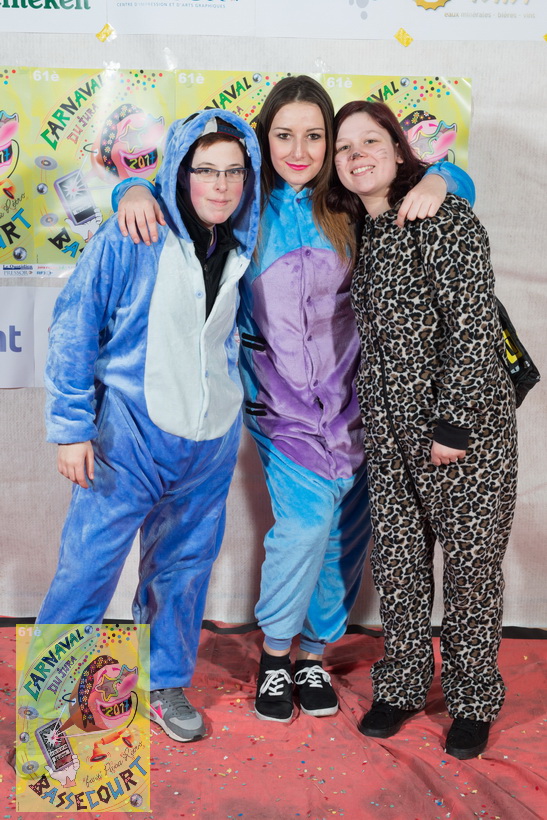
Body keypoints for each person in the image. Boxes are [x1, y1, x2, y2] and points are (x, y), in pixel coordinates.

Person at [112, 76, 473, 724]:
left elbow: (452, 187)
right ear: (264, 138)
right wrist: (130, 189)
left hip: (361, 412)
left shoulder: (352, 204)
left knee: (344, 541)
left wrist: (439, 180)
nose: (299, 150)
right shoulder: (245, 206)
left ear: (331, 142)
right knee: (303, 531)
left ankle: (313, 654)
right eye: (284, 135)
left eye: (314, 136)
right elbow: (177, 189)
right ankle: (275, 656)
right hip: (284, 417)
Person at [37, 111, 262, 744]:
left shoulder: (241, 244)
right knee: (87, 571)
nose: (221, 185)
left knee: (183, 574)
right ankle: (47, 706)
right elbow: (75, 325)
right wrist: (71, 428)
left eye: (234, 172)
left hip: (209, 443)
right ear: (181, 174)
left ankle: (163, 683)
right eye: (206, 170)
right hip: (127, 438)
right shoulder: (133, 234)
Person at [329, 100, 518, 759]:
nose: (356, 155)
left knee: (469, 571)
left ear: (397, 148)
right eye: (343, 147)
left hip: (460, 435)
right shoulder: (367, 229)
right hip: (389, 438)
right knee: (400, 567)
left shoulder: (442, 217)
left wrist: (454, 427)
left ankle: (472, 701)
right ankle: (403, 686)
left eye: (369, 141)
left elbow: (472, 328)